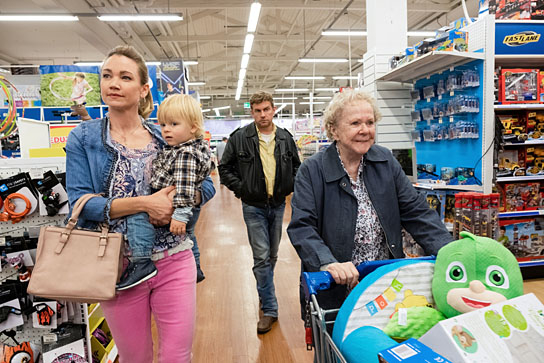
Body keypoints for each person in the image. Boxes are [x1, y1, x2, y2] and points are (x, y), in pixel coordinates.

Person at [65, 45, 212, 362]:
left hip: (175, 258)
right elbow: (79, 204)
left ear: (144, 89)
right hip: (119, 268)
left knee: (177, 355)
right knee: (136, 357)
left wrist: (179, 200)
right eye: (107, 76)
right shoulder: (84, 138)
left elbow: (208, 183)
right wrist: (145, 204)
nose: (113, 83)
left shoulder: (165, 135)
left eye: (124, 77)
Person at [287, 89, 453, 315]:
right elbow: (302, 227)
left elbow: (417, 212)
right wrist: (328, 263)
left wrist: (450, 251)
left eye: (370, 122)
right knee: (335, 347)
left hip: (384, 282)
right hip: (338, 286)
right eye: (355, 123)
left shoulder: (385, 161)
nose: (365, 130)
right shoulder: (312, 170)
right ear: (334, 130)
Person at [219, 90, 300, 334]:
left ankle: (265, 291)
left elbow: (297, 167)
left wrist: (289, 187)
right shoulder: (240, 138)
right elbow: (225, 168)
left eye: (266, 109)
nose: (263, 114)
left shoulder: (285, 138)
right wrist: (242, 189)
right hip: (252, 205)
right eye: (257, 110)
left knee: (272, 255)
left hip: (277, 204)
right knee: (262, 256)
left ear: (273, 109)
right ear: (251, 112)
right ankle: (270, 308)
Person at [115, 93, 214, 290]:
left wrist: (179, 214)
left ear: (193, 127)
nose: (166, 130)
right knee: (189, 236)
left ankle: (141, 261)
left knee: (136, 217)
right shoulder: (184, 147)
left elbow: (186, 188)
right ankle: (196, 268)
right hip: (179, 207)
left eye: (174, 124)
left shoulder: (185, 153)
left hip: (178, 207)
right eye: (163, 125)